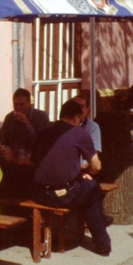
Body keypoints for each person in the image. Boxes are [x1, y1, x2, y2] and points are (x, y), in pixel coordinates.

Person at [31, 99, 111, 256]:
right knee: (92, 189)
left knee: (87, 191)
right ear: (75, 118)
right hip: (64, 194)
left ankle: (99, 227)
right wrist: (86, 173)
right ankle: (103, 242)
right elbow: (96, 166)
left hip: (39, 193)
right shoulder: (79, 133)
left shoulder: (43, 132)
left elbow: (33, 160)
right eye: (79, 120)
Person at [1, 88, 50, 162]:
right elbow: (3, 139)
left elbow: (42, 142)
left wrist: (28, 124)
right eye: (15, 104)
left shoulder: (41, 117)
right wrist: (6, 148)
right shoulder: (9, 118)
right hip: (14, 158)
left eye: (22, 104)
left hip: (34, 157)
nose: (18, 108)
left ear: (29, 103)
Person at [74, 91, 103, 156]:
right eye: (75, 106)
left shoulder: (92, 127)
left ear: (88, 109)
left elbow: (93, 153)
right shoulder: (64, 126)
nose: (78, 109)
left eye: (81, 106)